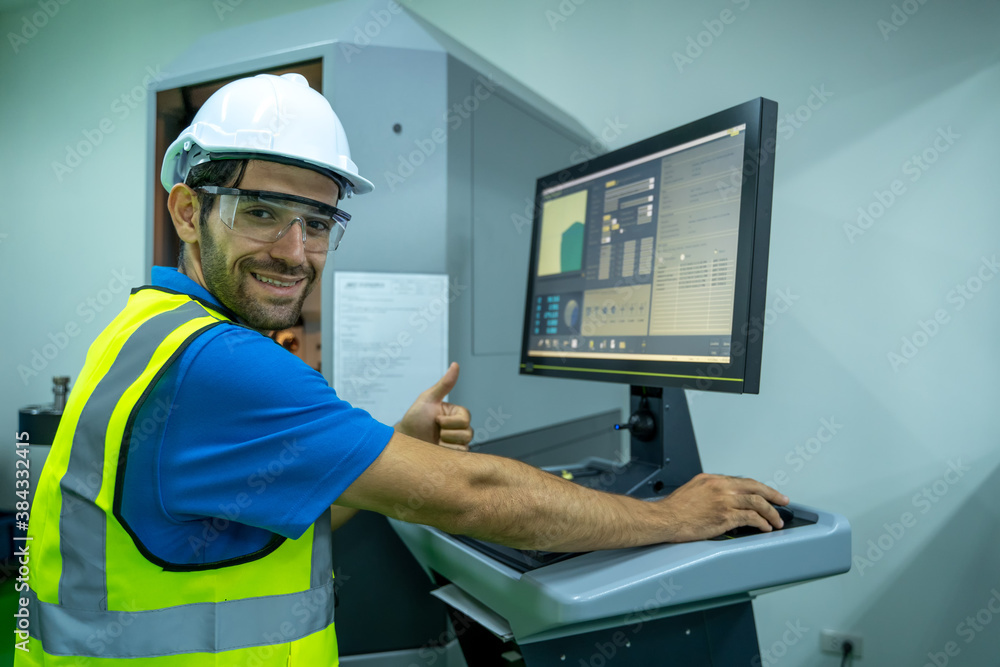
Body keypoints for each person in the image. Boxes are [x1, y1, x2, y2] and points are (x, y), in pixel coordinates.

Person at [21, 73, 788, 666]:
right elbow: (477, 493)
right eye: (260, 211)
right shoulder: (222, 364)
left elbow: (252, 513)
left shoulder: (146, 324)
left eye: (318, 223)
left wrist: (392, 441)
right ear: (189, 211)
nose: (295, 252)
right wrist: (677, 516)